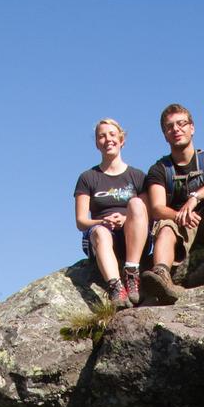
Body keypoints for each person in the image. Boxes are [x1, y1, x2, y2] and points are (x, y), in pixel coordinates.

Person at [141, 103, 204, 304]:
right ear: (165, 134)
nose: (176, 130)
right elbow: (156, 208)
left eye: (181, 124)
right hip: (181, 225)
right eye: (170, 127)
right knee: (165, 225)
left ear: (192, 127)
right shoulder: (159, 169)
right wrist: (179, 215)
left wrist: (194, 198)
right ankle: (161, 273)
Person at [73, 118, 149, 308]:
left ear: (122, 140)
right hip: (102, 238)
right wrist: (102, 221)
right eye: (102, 136)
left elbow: (148, 214)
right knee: (99, 231)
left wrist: (125, 219)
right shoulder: (88, 178)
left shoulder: (138, 176)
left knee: (137, 204)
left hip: (133, 238)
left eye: (112, 135)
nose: (108, 139)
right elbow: (81, 221)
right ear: (97, 144)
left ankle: (131, 273)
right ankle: (116, 287)